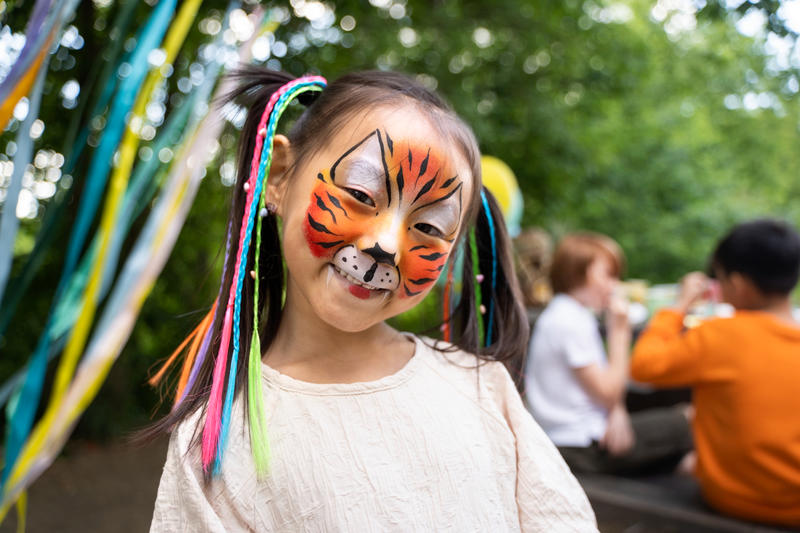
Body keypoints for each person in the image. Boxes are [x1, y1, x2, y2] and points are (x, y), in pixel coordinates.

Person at [146, 67, 596, 531]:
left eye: (428, 228)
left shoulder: (482, 388)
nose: (385, 244)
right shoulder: (218, 437)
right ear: (279, 175)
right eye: (361, 193)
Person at [631, 219, 800, 527]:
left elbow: (644, 365)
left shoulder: (720, 336)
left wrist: (679, 303)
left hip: (736, 499)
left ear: (738, 285)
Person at [526, 233, 691, 474]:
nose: (615, 285)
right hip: (580, 447)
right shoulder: (570, 322)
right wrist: (620, 333)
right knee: (692, 418)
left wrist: (617, 411)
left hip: (576, 436)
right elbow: (609, 392)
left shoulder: (566, 313)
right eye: (609, 275)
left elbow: (604, 390)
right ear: (578, 272)